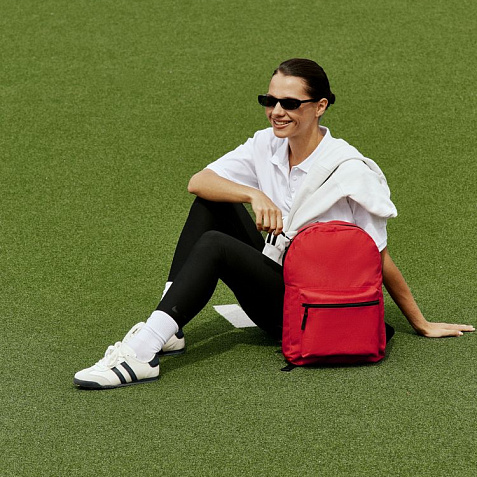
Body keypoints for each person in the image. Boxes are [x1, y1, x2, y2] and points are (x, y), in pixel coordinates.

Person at [74, 58, 474, 389]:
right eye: (270, 100)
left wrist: (420, 322)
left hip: (310, 311)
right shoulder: (266, 143)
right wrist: (254, 194)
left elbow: (378, 256)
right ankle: (169, 329)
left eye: (290, 103)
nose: (277, 111)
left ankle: (143, 352)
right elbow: (199, 181)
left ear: (320, 106)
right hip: (280, 276)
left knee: (215, 245)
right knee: (211, 203)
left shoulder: (349, 170)